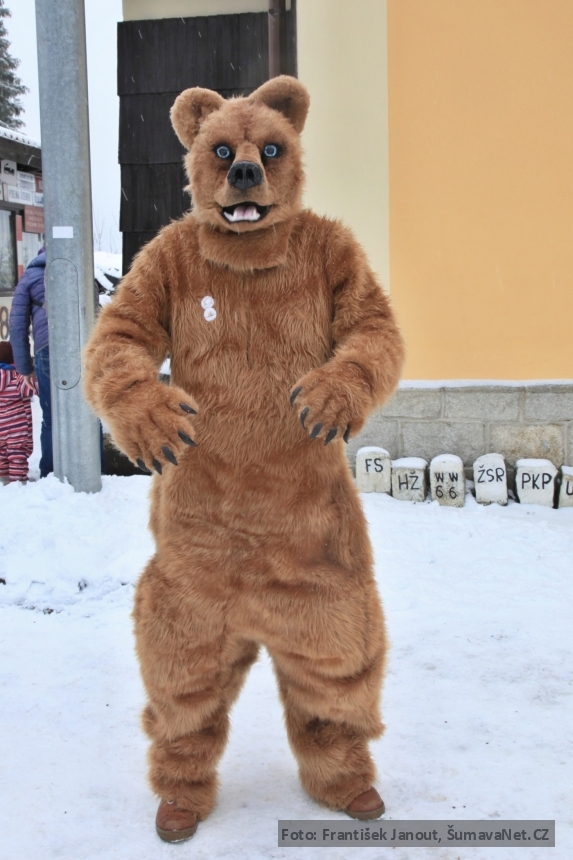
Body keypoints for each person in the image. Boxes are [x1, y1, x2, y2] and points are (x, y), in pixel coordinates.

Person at [9, 249, 53, 477]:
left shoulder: (30, 276)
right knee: (89, 413)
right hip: (83, 350)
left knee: (51, 416)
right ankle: (97, 472)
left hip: (48, 349)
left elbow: (17, 327)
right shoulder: (83, 270)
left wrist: (24, 369)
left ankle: (50, 474)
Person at [0, 341, 37, 484]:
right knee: (17, 456)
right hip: (16, 428)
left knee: (1, 454)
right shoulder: (17, 377)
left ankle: (3, 479)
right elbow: (32, 388)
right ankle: (17, 482)